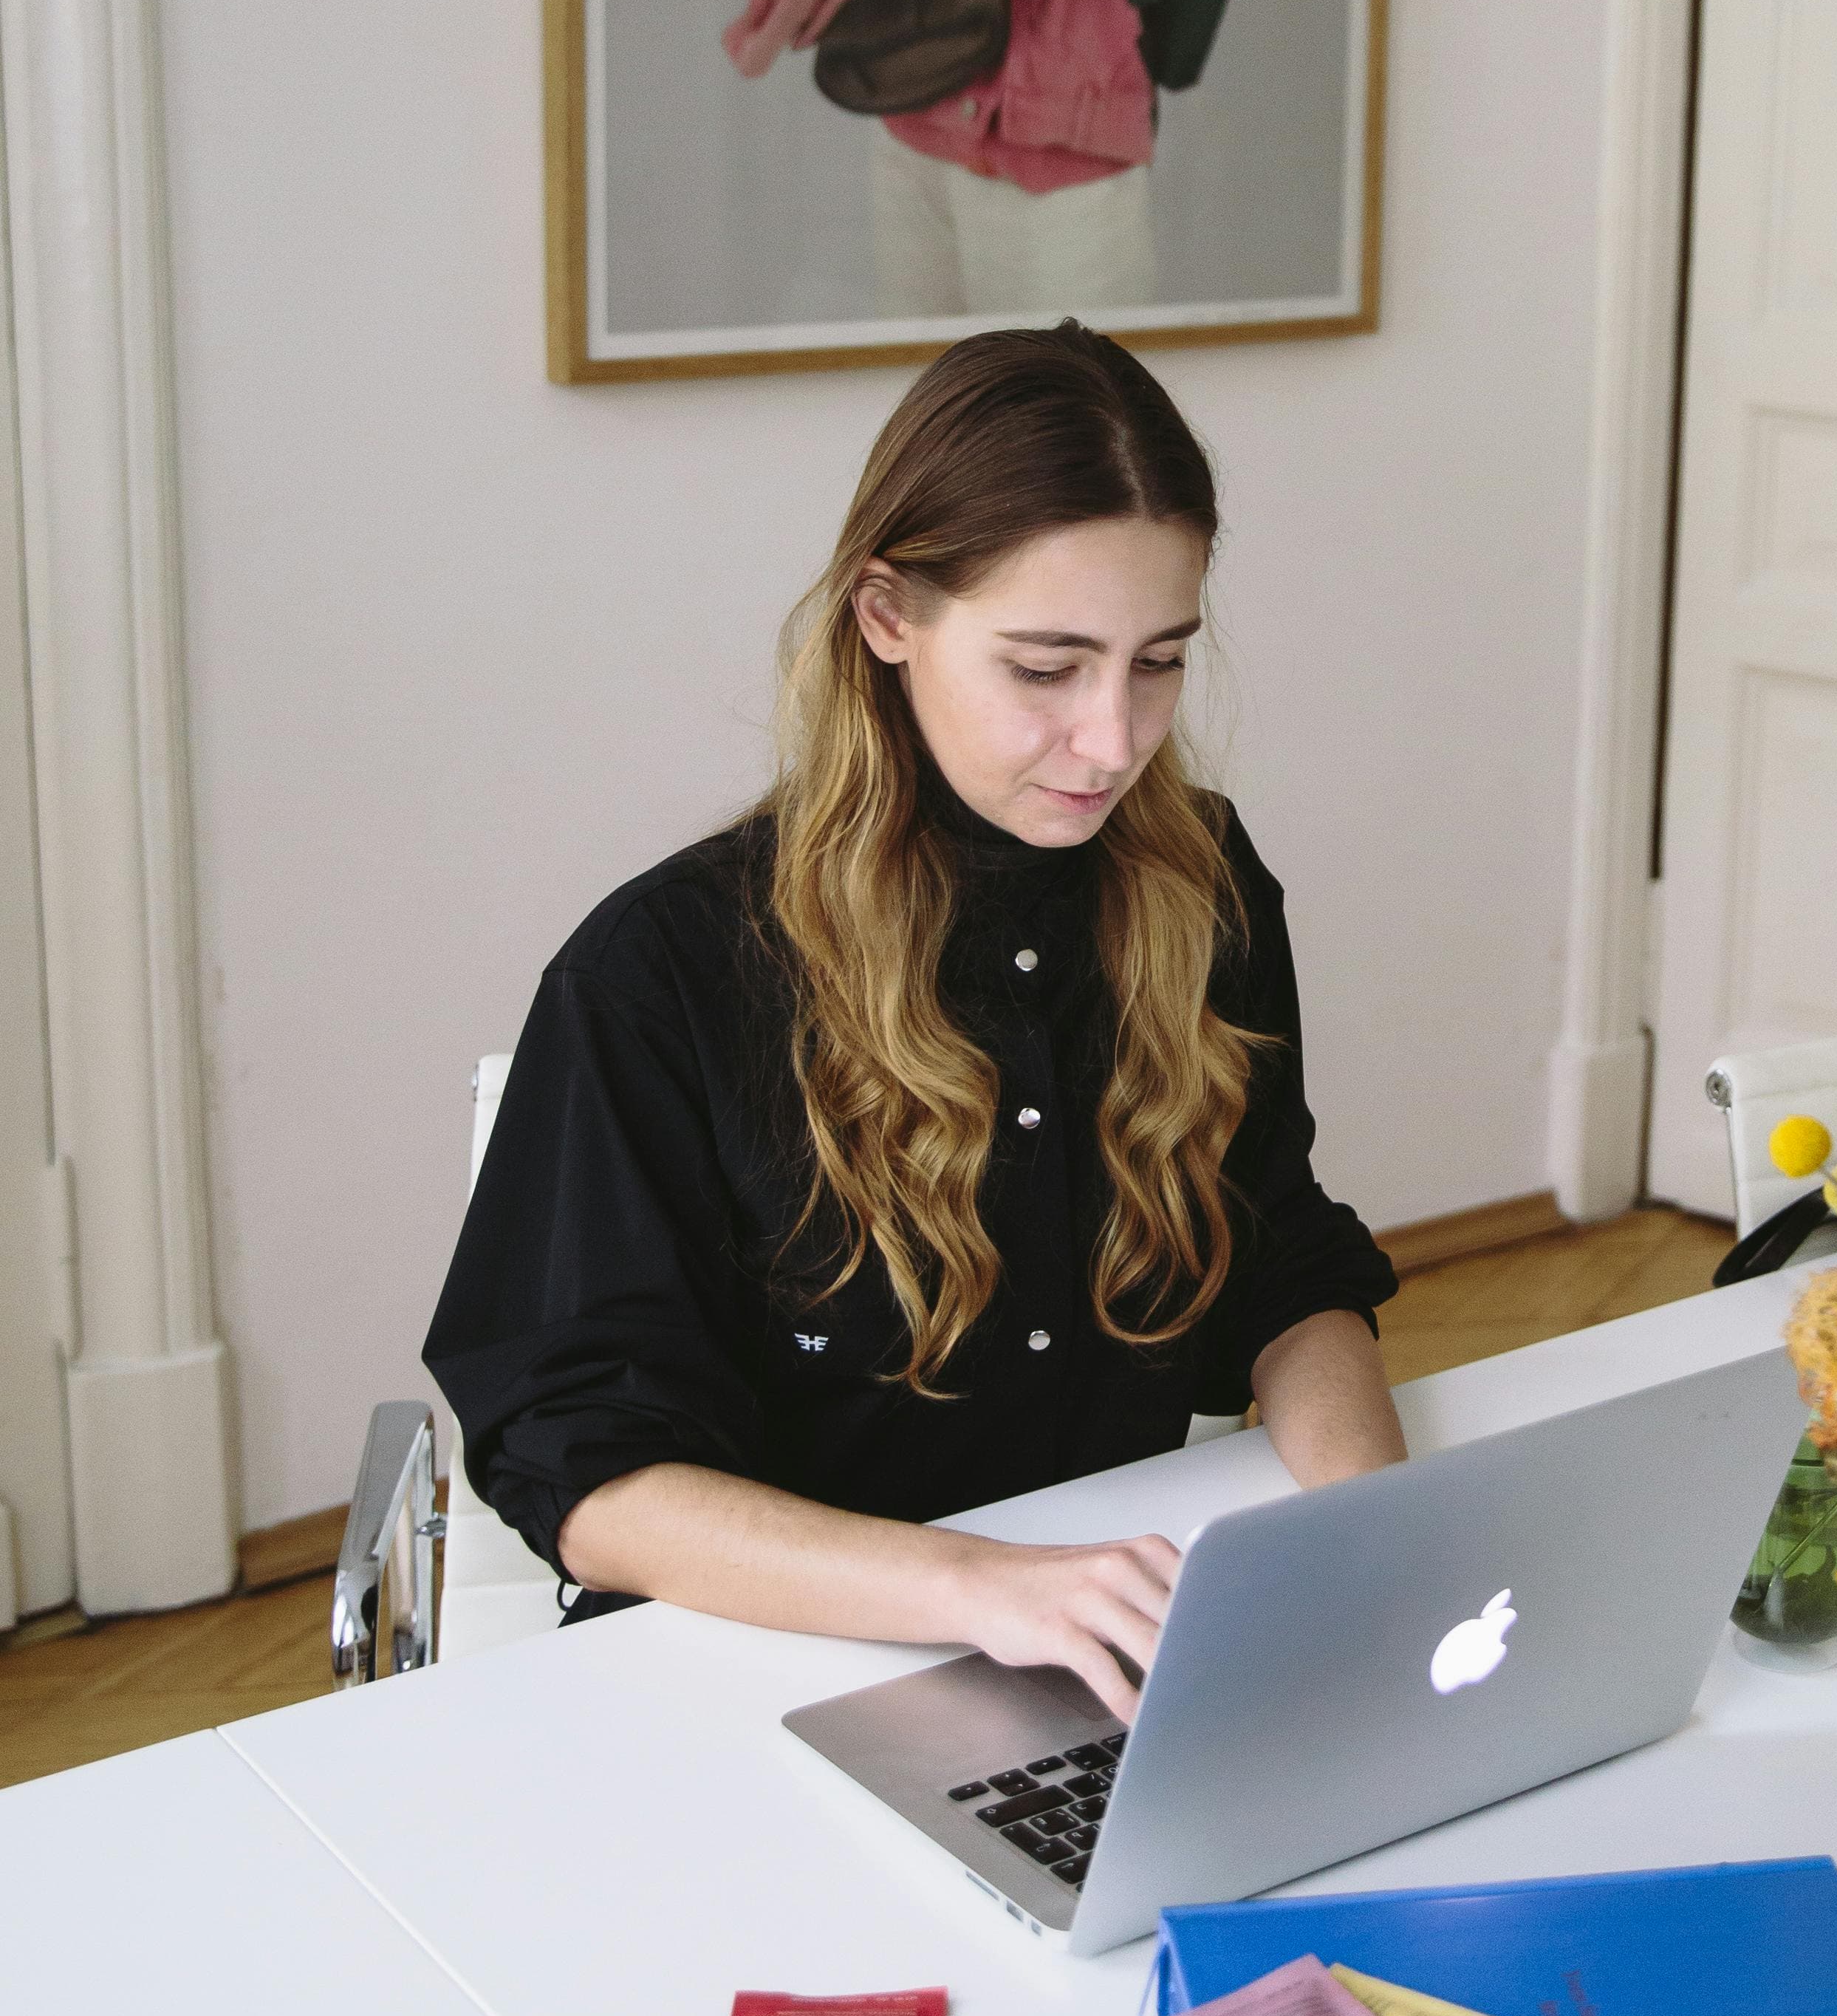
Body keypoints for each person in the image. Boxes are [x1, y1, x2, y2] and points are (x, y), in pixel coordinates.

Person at [426, 325, 1400, 1718]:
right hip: (761, 1683)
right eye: (1046, 668)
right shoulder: (666, 973)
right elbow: (591, 1480)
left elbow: (1280, 1260)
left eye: (1160, 660)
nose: (1116, 740)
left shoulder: (1202, 885)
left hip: (1098, 1642)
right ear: (889, 616)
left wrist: (1379, 1536)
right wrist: (981, 1586)